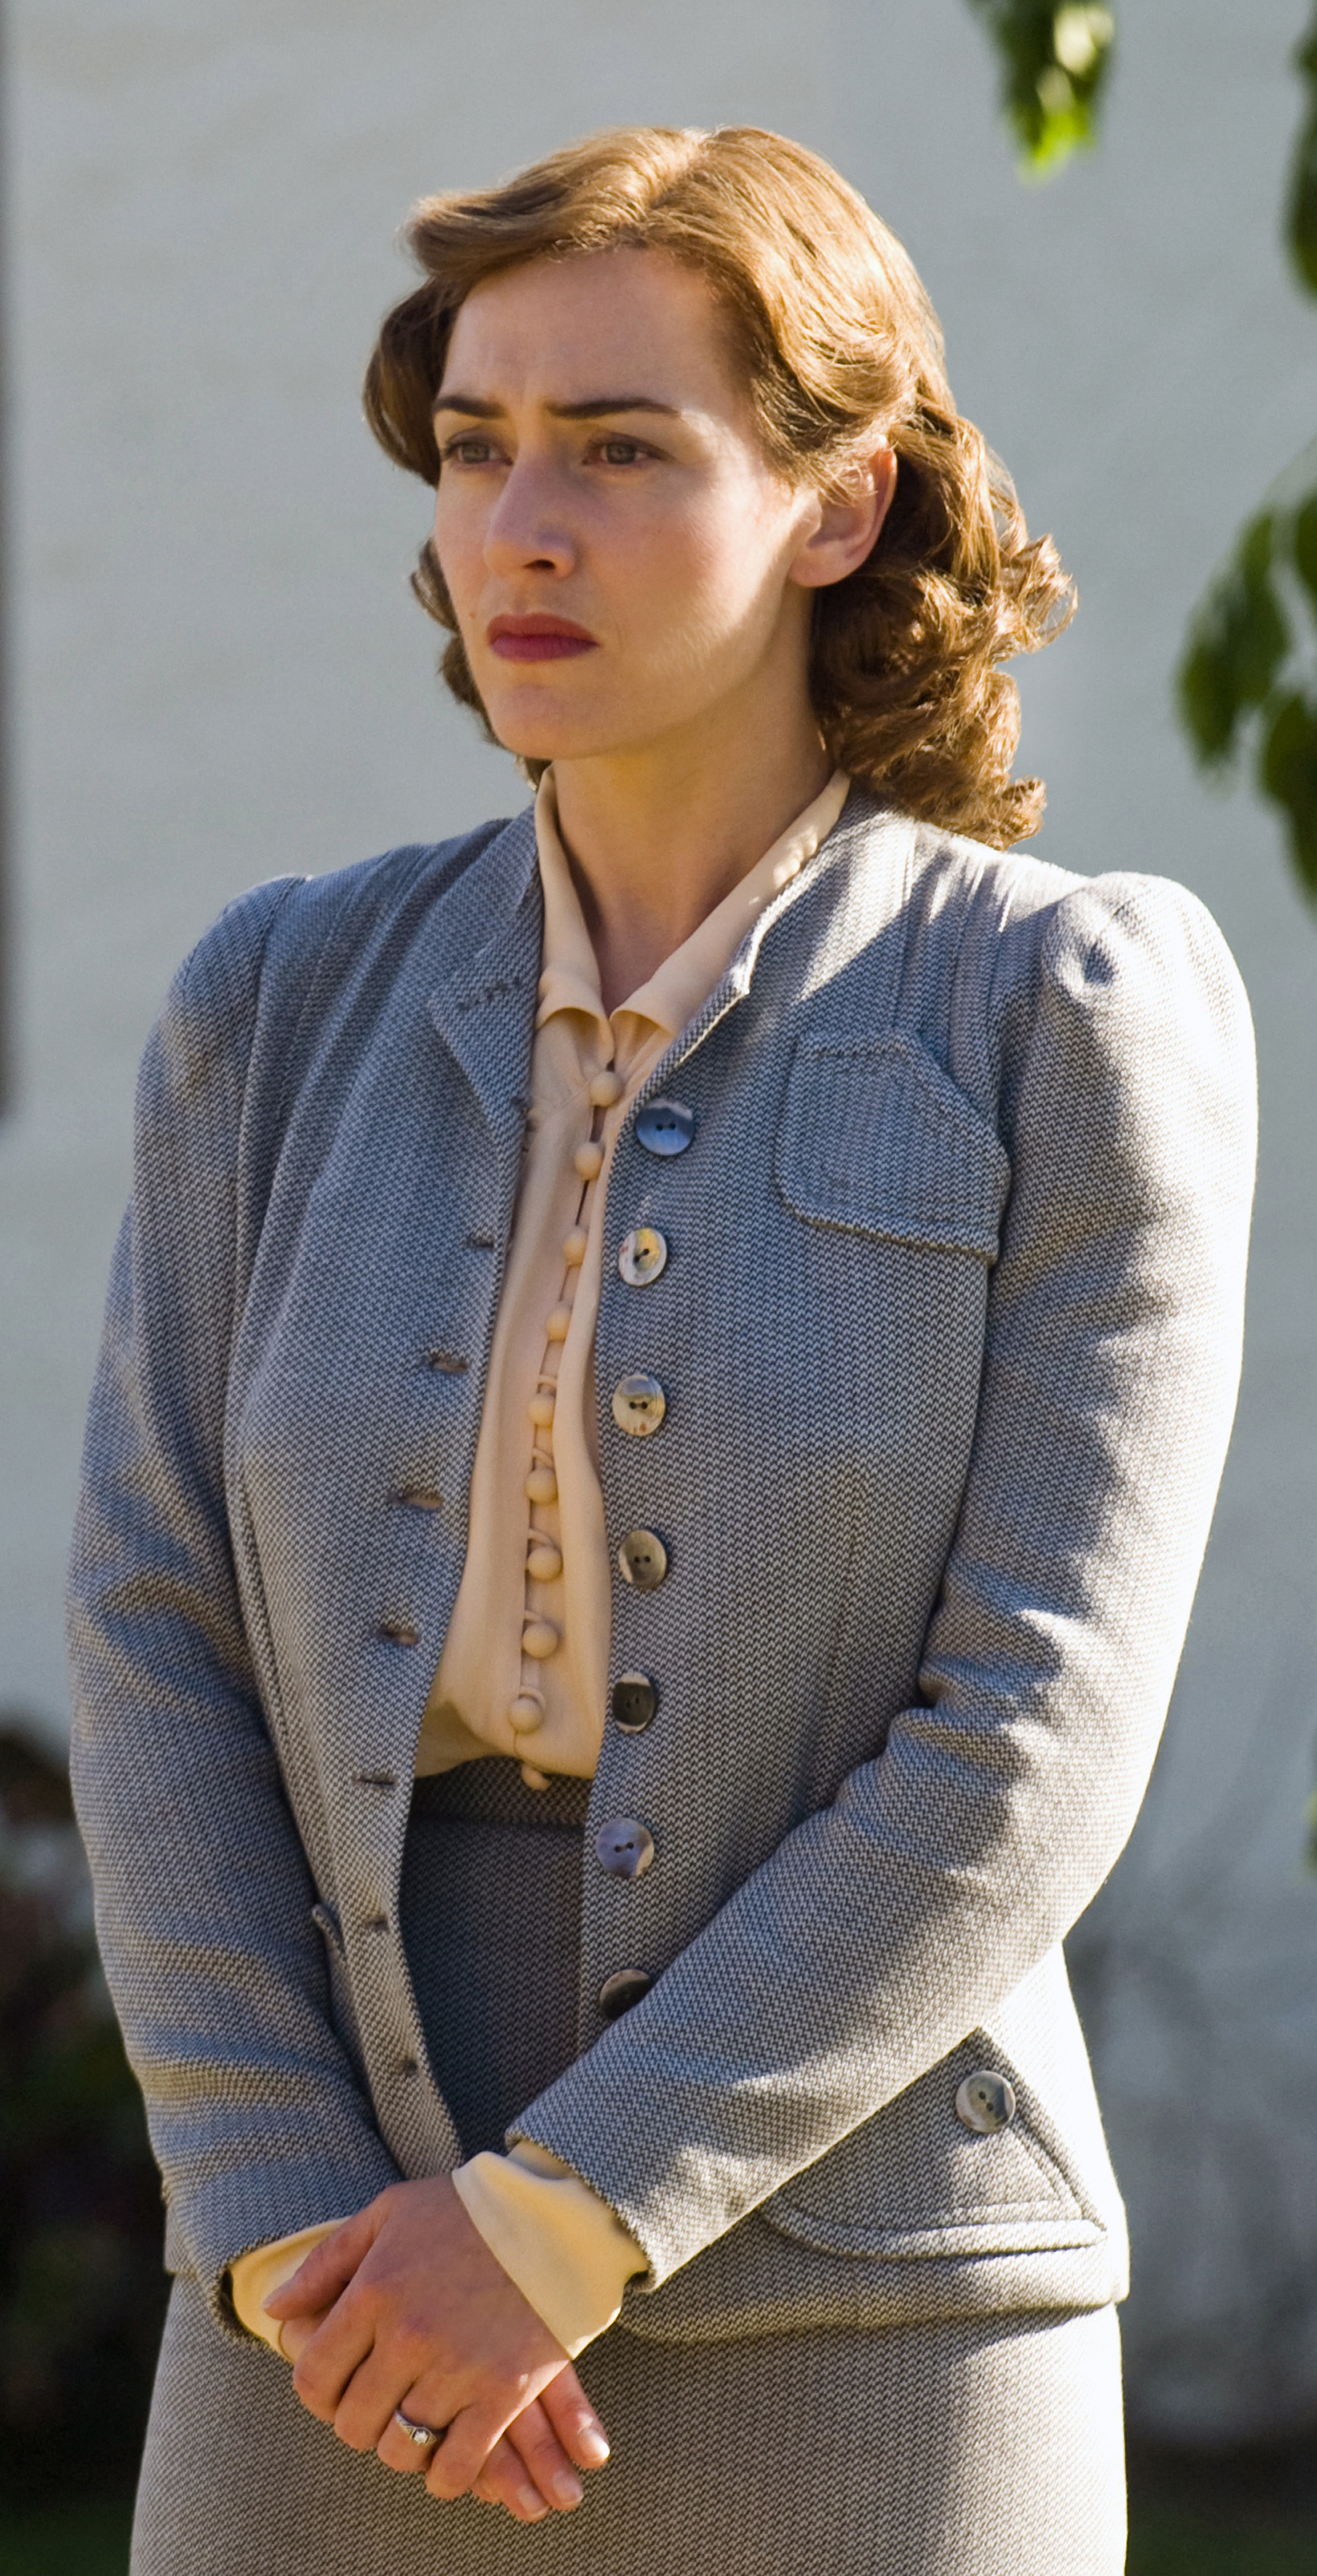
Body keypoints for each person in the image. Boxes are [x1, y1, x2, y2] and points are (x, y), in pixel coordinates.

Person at [67, 124, 1255, 2575]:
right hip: (328, 2293)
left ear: (840, 501)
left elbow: (1036, 1725)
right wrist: (283, 2208)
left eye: (620, 450)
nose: (520, 527)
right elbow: (158, 1635)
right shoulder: (276, 1006)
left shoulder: (1058, 1007)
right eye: (475, 448)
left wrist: (568, 2212)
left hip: (875, 2297)